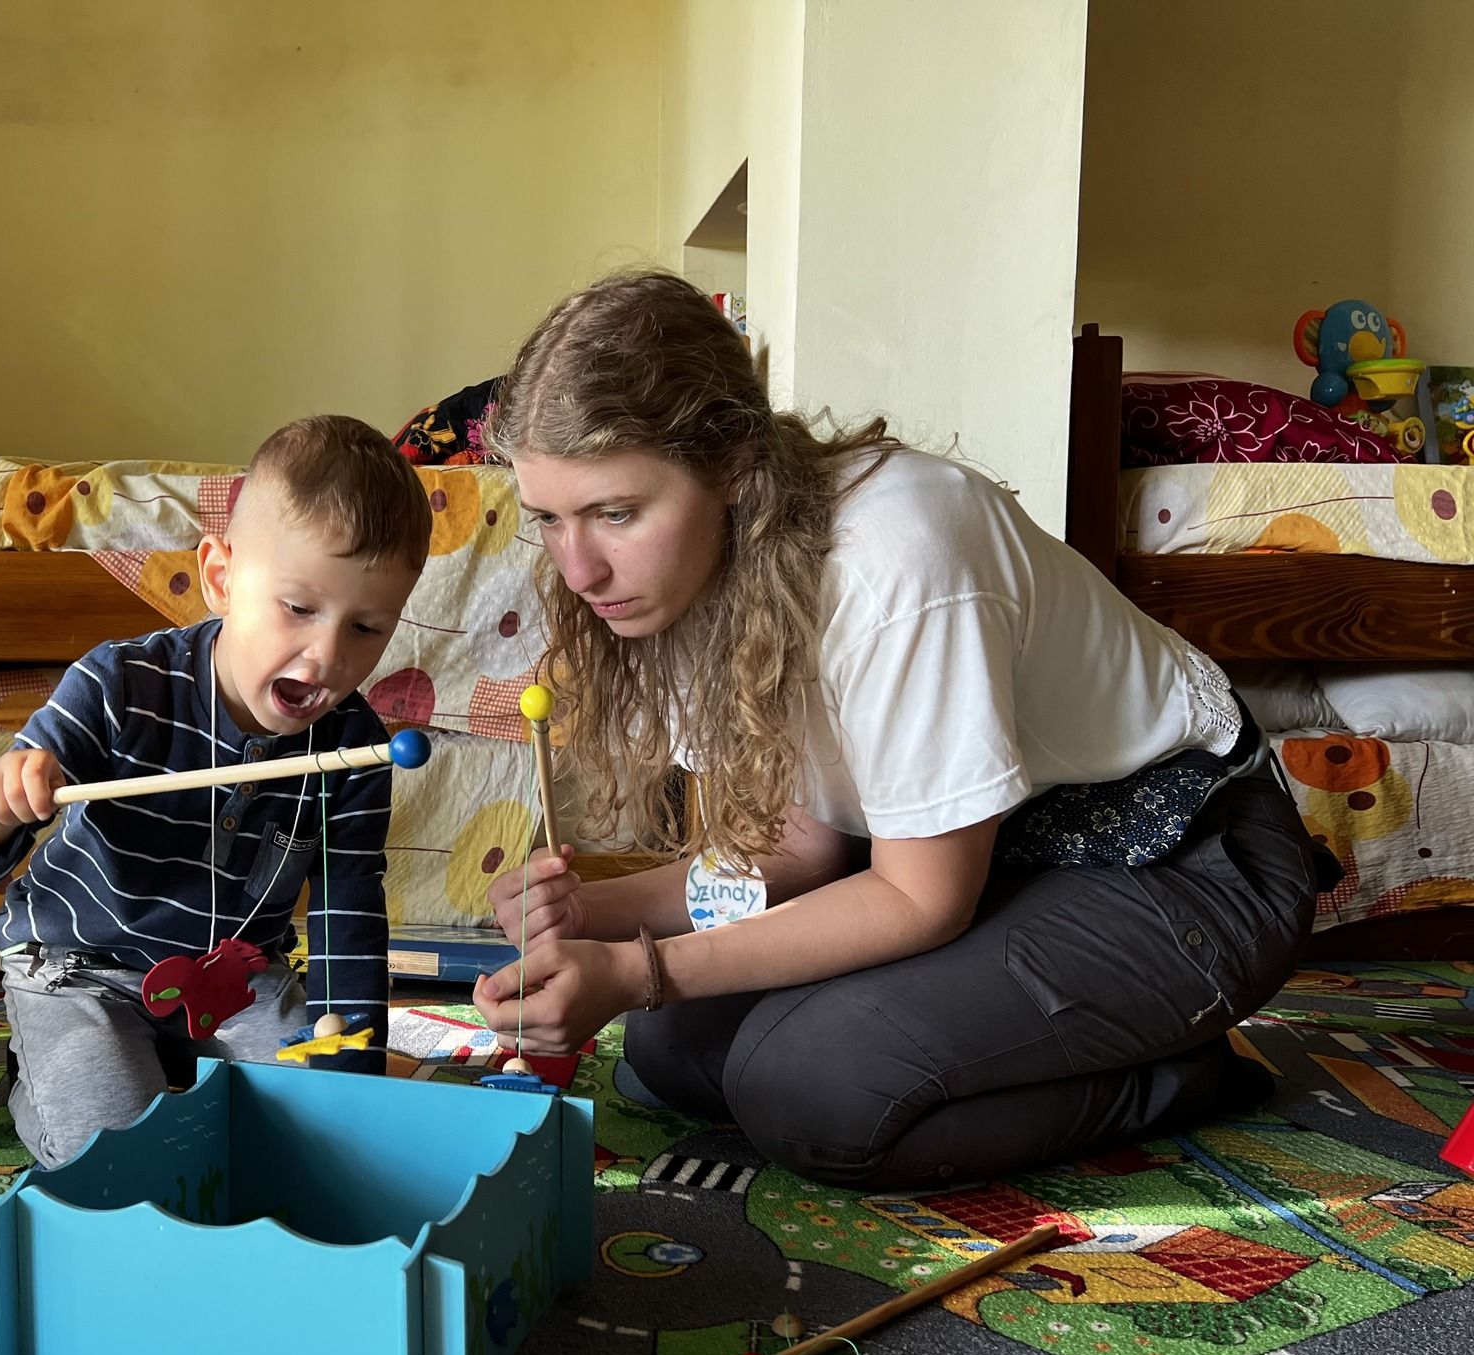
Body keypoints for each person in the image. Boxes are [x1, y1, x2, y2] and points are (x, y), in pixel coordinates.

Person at [471, 271, 1318, 1190]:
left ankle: (1176, 1072)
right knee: (677, 1050)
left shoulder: (900, 555)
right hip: (992, 866)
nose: (582, 569)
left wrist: (639, 969)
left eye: (617, 514)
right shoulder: (677, 581)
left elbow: (921, 900)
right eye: (549, 521)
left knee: (808, 1089)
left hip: (1184, 867)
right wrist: (598, 916)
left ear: (735, 471)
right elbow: (805, 845)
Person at [0, 416, 430, 1167]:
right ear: (221, 578)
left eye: (366, 627)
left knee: (324, 1129)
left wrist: (348, 1059)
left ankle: (183, 1066)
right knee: (118, 1156)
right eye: (298, 608)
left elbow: (346, 909)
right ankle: (43, 1074)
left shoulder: (356, 748)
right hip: (80, 971)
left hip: (236, 978)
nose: (327, 655)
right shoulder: (116, 684)